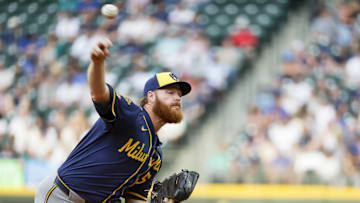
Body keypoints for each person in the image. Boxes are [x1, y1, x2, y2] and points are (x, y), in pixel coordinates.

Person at [34, 38, 192, 203]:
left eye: (179, 95)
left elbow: (134, 198)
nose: (177, 98)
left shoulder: (155, 155)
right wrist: (97, 63)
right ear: (151, 96)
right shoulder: (131, 114)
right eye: (170, 93)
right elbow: (99, 93)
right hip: (63, 195)